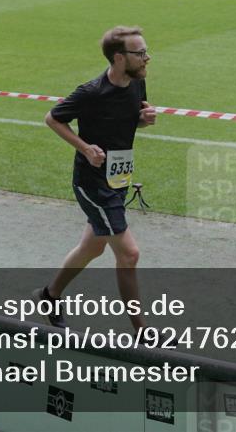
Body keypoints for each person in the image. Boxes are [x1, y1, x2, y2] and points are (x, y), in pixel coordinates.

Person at [39, 26, 156, 330]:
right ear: (119, 58)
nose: (147, 58)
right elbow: (53, 119)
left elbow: (131, 119)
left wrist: (143, 120)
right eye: (140, 53)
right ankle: (143, 333)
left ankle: (49, 295)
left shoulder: (137, 83)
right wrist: (85, 148)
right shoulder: (91, 92)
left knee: (93, 247)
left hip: (119, 179)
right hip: (93, 184)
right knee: (129, 254)